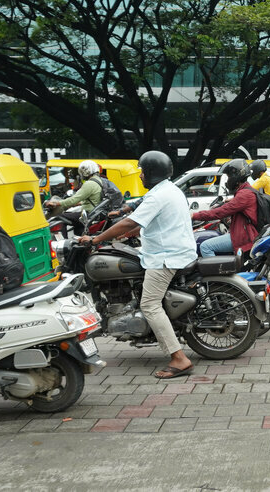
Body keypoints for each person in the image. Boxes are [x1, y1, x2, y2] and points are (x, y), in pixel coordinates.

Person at [80, 151, 196, 379]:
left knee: (150, 304)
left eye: (143, 171)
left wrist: (96, 239)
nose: (140, 175)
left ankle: (179, 358)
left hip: (166, 256)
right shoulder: (169, 189)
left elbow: (130, 222)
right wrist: (123, 233)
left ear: (151, 172)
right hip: (173, 250)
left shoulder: (158, 196)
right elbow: (146, 223)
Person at [191, 159, 258, 258]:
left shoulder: (244, 194)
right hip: (241, 232)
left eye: (229, 176)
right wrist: (232, 200)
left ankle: (218, 272)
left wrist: (195, 215)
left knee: (205, 246)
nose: (227, 180)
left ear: (236, 176)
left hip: (243, 236)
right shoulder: (245, 191)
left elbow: (221, 212)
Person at [44, 160, 103, 235]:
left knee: (59, 218)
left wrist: (57, 203)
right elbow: (94, 198)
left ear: (86, 172)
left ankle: (62, 243)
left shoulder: (90, 183)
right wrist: (80, 203)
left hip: (88, 213)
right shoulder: (99, 181)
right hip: (94, 212)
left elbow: (73, 199)